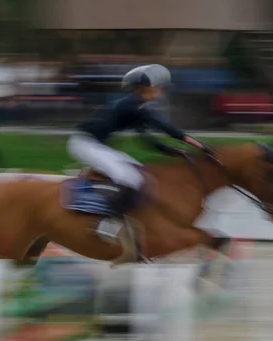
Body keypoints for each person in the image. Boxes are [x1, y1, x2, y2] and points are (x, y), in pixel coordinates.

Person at [67, 64, 212, 240]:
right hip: (85, 144)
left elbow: (146, 140)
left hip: (96, 144)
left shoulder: (136, 106)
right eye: (160, 87)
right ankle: (106, 224)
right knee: (131, 179)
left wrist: (172, 151)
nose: (163, 92)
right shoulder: (133, 106)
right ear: (145, 88)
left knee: (139, 172)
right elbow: (167, 129)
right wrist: (201, 147)